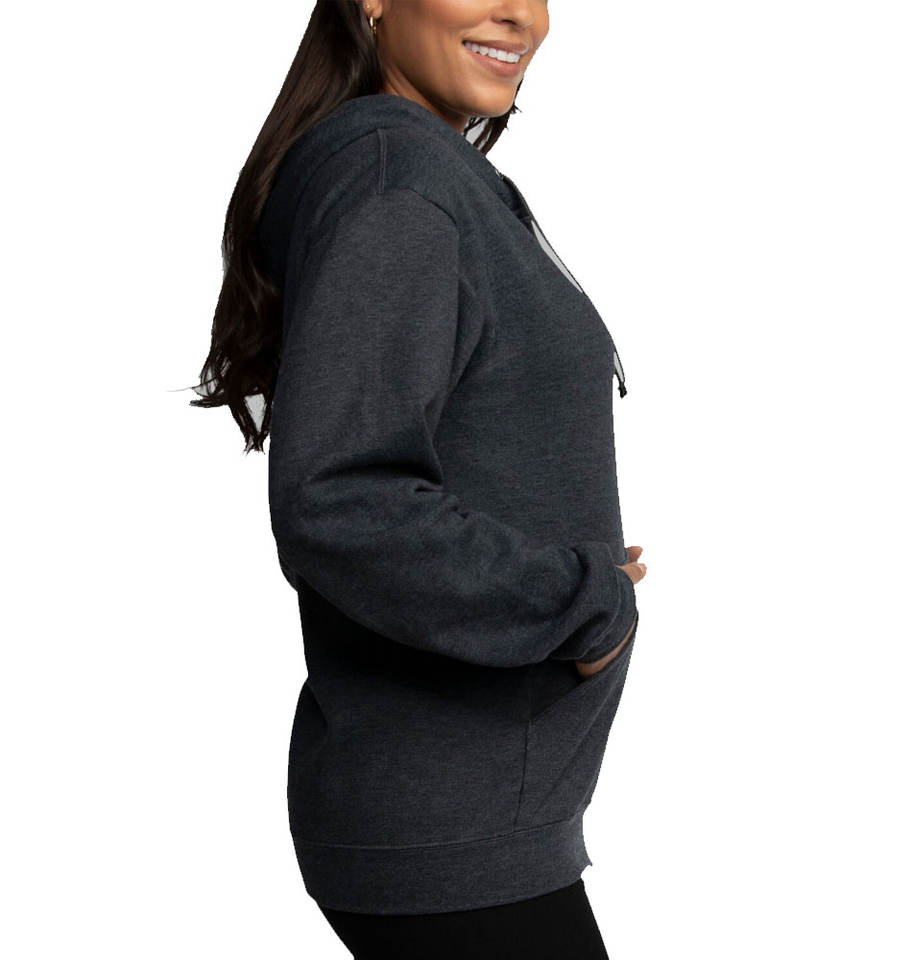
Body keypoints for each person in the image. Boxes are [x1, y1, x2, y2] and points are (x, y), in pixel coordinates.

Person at [193, 1, 647, 956]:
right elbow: (338, 500)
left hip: (472, 817)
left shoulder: (422, 175)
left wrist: (564, 552)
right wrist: (580, 601)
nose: (521, 15)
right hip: (452, 827)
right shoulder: (396, 182)